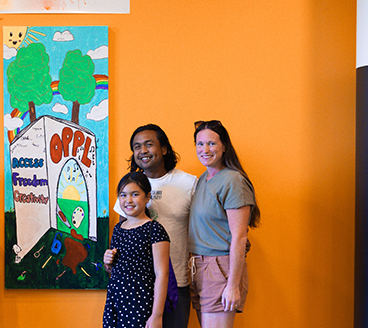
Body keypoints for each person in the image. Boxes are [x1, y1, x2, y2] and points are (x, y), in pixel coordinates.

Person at [113, 124, 197, 328]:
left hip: (175, 284)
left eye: (149, 145)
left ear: (164, 149)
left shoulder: (188, 183)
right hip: (134, 288)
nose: (142, 151)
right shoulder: (129, 188)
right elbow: (121, 239)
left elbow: (204, 222)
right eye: (137, 146)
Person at [187, 120, 260, 328]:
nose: (204, 149)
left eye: (211, 143)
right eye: (200, 144)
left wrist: (233, 285)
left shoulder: (233, 180)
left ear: (224, 146)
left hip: (219, 267)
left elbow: (239, 237)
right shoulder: (204, 179)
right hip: (197, 266)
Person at [103, 172, 171, 328]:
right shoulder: (118, 229)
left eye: (135, 194)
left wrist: (157, 315)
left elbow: (162, 274)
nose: (128, 200)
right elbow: (114, 270)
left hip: (141, 303)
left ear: (147, 197)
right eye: (123, 195)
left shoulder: (154, 229)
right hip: (116, 302)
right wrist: (107, 261)